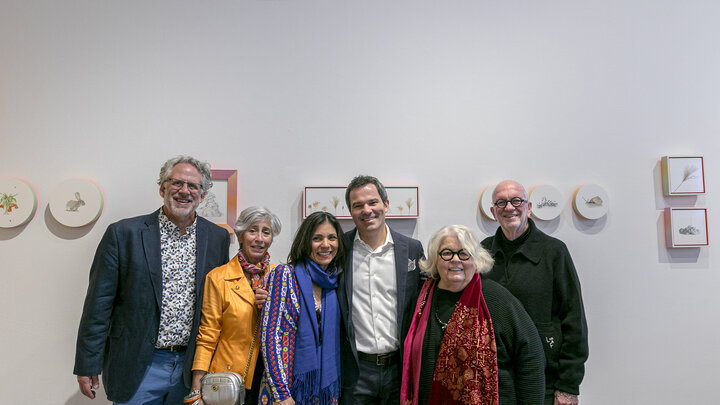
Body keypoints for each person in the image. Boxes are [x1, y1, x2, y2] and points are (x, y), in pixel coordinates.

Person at [73, 156, 231, 403]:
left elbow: (222, 299)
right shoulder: (123, 234)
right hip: (138, 364)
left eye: (193, 186)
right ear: (162, 188)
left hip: (192, 368)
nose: (184, 191)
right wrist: (87, 363)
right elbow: (98, 304)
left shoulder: (218, 238)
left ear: (202, 196)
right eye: (176, 182)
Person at [400, 225, 545, 405]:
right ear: (435, 259)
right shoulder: (421, 300)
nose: (455, 260)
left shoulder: (498, 301)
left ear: (476, 259)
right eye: (446, 253)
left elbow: (531, 358)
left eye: (464, 253)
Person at [483, 180, 589, 405]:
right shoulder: (483, 252)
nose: (509, 207)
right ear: (493, 212)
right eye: (501, 202)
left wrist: (568, 386)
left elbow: (574, 319)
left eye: (516, 201)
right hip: (495, 379)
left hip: (545, 379)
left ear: (528, 207)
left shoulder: (554, 251)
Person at [337, 175, 425, 404]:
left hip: (399, 369)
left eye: (372, 202)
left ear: (386, 204)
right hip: (356, 372)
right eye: (358, 205)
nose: (367, 210)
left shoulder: (412, 249)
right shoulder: (339, 249)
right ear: (350, 211)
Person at [188, 206, 282, 405]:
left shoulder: (281, 277)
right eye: (252, 230)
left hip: (272, 378)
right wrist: (196, 388)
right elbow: (208, 333)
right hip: (230, 379)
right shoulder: (218, 277)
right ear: (240, 235)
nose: (259, 238)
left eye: (266, 232)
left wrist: (273, 307)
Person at [259, 211, 347, 405]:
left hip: (324, 393)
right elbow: (269, 335)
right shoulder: (285, 275)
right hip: (285, 390)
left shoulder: (336, 281)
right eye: (317, 238)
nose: (326, 245)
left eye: (332, 238)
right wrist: (282, 394)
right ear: (306, 241)